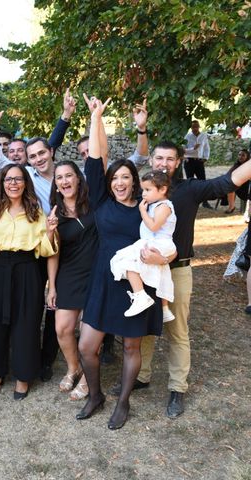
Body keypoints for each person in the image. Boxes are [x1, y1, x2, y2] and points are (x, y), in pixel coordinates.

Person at [133, 115, 251, 419]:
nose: (163, 163)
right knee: (143, 327)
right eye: (158, 157)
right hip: (146, 269)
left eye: (170, 159)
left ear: (178, 162)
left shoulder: (191, 190)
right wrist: (142, 128)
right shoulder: (141, 190)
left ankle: (177, 388)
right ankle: (141, 376)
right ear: (152, 158)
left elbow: (231, 181)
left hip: (179, 270)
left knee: (177, 330)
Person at [75, 97, 166, 430]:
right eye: (115, 177)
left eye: (126, 177)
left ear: (135, 181)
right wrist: (95, 117)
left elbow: (164, 235)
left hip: (135, 282)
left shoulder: (147, 207)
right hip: (103, 277)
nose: (120, 182)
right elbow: (96, 157)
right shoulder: (100, 199)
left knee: (131, 345)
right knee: (87, 346)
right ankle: (95, 395)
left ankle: (123, 402)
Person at [0, 164, 58, 400]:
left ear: (25, 183)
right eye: (8, 179)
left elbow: (44, 248)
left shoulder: (36, 212)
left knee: (27, 322)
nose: (13, 184)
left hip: (27, 269)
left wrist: (50, 231)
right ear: (2, 182)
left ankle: (23, 376)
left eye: (18, 179)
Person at [46, 160, 97, 401]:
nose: (65, 181)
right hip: (69, 274)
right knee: (62, 329)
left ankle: (87, 378)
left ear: (78, 178)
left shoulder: (94, 204)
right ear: (55, 184)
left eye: (69, 176)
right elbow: (53, 252)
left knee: (89, 332)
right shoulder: (55, 214)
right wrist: (52, 285)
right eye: (60, 178)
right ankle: (73, 367)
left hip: (97, 274)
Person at [110, 171, 177, 321]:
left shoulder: (163, 206)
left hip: (160, 242)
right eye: (143, 190)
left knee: (125, 261)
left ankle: (140, 295)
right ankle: (164, 309)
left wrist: (142, 211)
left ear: (163, 189)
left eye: (147, 190)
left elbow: (153, 226)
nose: (144, 194)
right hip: (157, 243)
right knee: (162, 271)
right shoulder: (156, 205)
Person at [184, 120, 212, 208]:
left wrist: (205, 158)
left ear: (199, 127)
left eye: (196, 127)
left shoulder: (203, 136)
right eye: (193, 127)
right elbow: (183, 149)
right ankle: (190, 201)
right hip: (189, 161)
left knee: (202, 181)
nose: (194, 129)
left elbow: (206, 147)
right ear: (191, 128)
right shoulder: (187, 136)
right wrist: (193, 148)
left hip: (199, 161)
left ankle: (205, 201)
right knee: (190, 181)